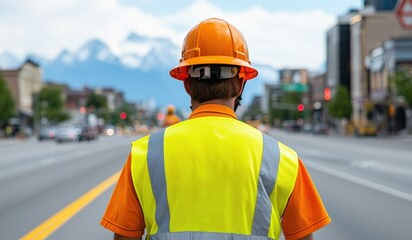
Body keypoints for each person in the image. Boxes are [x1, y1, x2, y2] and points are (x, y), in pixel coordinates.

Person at [101, 18, 331, 240]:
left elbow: (124, 235)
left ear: (186, 83)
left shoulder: (145, 154)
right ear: (241, 83)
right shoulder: (281, 158)